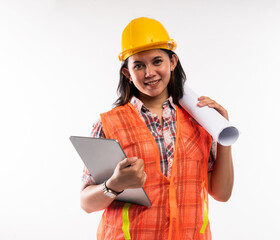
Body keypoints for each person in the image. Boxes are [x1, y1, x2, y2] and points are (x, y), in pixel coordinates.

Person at [80, 17, 234, 240]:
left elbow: (222, 193)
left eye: (157, 61)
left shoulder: (199, 121)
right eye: (139, 65)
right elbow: (86, 203)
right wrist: (114, 184)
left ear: (172, 62)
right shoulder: (108, 125)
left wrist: (222, 134)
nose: (149, 72)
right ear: (128, 74)